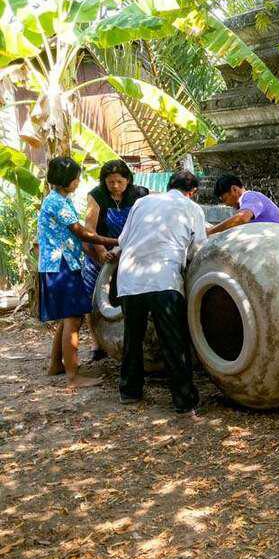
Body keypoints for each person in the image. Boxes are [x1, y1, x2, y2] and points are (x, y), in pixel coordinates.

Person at [111, 170, 206, 414]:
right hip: (164, 278)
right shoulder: (193, 209)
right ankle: (184, 400)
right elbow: (197, 250)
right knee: (173, 340)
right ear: (192, 192)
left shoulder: (142, 203)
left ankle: (129, 391)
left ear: (169, 185)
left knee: (133, 336)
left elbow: (123, 240)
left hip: (130, 277)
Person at [38, 156, 119, 388]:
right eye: (76, 178)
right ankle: (74, 377)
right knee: (73, 319)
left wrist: (98, 253)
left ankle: (56, 365)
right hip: (62, 265)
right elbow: (82, 233)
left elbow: (74, 237)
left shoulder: (58, 199)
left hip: (59, 264)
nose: (78, 182)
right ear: (67, 180)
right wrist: (115, 241)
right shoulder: (59, 203)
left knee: (67, 318)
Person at [82, 159, 149, 361]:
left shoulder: (140, 194)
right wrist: (102, 251)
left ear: (128, 180)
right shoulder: (97, 195)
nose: (115, 186)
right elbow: (89, 229)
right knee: (92, 296)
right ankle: (96, 341)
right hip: (99, 251)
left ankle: (125, 338)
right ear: (104, 181)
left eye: (119, 181)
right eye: (111, 182)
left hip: (130, 252)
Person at [206, 174, 279, 236]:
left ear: (234, 189)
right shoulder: (245, 201)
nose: (226, 204)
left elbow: (242, 218)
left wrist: (210, 231)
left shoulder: (250, 196)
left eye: (225, 199)